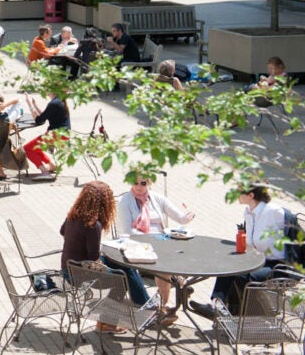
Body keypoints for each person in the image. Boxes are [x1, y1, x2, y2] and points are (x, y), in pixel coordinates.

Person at [60, 180, 148, 332]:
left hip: (68, 267)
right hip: (80, 274)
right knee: (123, 277)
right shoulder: (93, 225)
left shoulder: (73, 216)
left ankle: (145, 305)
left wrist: (77, 243)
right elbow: (94, 258)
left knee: (124, 266)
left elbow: (62, 232)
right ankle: (107, 321)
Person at [191, 184, 288, 319]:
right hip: (258, 258)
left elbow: (295, 234)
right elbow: (251, 241)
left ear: (251, 195)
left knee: (243, 275)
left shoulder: (274, 212)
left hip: (277, 263)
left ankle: (241, 314)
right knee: (229, 265)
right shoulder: (248, 212)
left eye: (238, 192)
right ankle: (216, 305)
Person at [117, 176, 195, 323]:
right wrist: (153, 238)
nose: (139, 186)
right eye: (135, 182)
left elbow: (180, 218)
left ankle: (165, 303)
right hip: (139, 243)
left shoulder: (157, 198)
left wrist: (187, 216)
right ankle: (175, 288)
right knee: (164, 267)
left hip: (161, 242)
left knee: (171, 256)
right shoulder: (125, 201)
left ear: (149, 183)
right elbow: (128, 230)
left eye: (143, 183)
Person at [23, 92, 71, 179]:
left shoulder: (53, 103)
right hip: (63, 134)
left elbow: (38, 120)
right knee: (35, 147)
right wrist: (35, 104)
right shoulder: (59, 101)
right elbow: (45, 116)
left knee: (27, 149)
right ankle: (52, 166)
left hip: (55, 135)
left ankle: (45, 172)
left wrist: (29, 104)